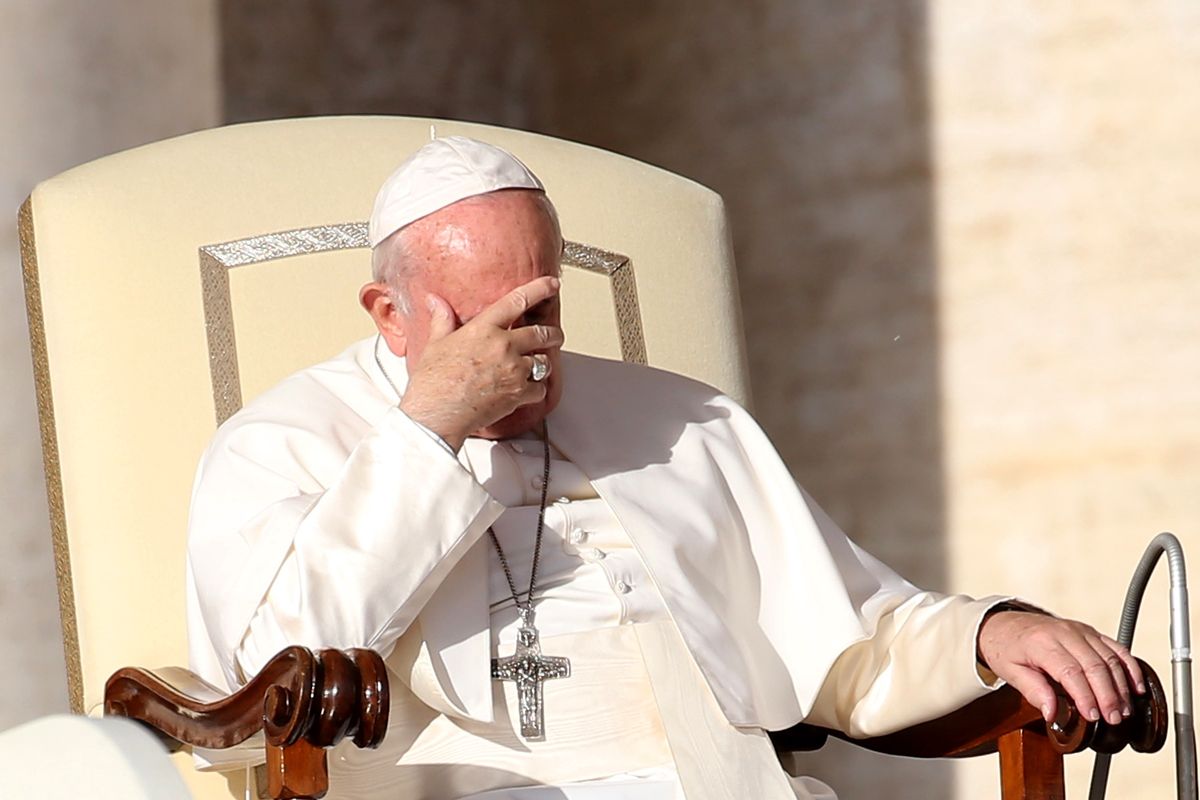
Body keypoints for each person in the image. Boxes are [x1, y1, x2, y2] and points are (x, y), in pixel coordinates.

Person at [187, 137, 1143, 800]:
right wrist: (431, 426)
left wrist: (991, 632)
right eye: (483, 321)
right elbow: (271, 677)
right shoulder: (281, 444)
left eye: (541, 311)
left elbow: (854, 639)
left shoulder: (682, 421)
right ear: (389, 315)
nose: (527, 350)